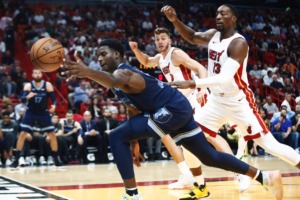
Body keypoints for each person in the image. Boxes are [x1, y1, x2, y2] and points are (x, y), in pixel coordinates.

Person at [62, 39, 283, 200]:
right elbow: (132, 109)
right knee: (209, 157)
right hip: (177, 109)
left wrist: (86, 71)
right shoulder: (117, 84)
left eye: (104, 54)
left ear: (118, 56)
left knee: (116, 135)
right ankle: (264, 176)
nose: (100, 59)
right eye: (97, 56)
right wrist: (134, 141)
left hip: (172, 109)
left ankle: (132, 195)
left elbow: (111, 80)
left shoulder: (124, 74)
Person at [162, 2, 300, 174]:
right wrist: (175, 21)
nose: (218, 17)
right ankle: (199, 186)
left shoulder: (238, 43)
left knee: (271, 146)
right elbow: (192, 36)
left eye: (223, 14)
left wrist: (194, 83)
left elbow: (225, 78)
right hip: (215, 101)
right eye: (217, 14)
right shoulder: (213, 35)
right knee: (189, 138)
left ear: (233, 19)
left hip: (238, 101)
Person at [129, 27, 246, 192]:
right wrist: (135, 50)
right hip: (180, 104)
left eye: (163, 38)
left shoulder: (176, 54)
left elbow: (201, 68)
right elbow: (146, 61)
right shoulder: (160, 58)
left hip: (194, 97)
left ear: (170, 40)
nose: (160, 42)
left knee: (210, 137)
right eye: (157, 39)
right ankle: (191, 178)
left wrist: (203, 90)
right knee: (184, 142)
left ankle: (239, 172)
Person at [10, 69, 62, 167]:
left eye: (39, 73)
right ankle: (16, 159)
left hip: (43, 112)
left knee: (52, 134)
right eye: (35, 73)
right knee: (22, 134)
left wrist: (54, 106)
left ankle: (56, 158)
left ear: (41, 74)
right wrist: (28, 97)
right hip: (31, 112)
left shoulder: (47, 85)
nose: (37, 75)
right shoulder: (28, 85)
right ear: (32, 75)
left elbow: (54, 100)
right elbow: (22, 99)